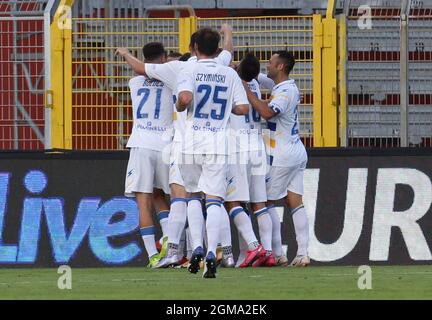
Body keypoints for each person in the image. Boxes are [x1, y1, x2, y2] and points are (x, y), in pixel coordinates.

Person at [176, 27, 249, 278]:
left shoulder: (188, 69)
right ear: (217, 48)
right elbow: (243, 108)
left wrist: (179, 104)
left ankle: (196, 245)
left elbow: (184, 98)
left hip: (191, 141)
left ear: (194, 48)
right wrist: (224, 109)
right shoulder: (228, 73)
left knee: (193, 195)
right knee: (216, 200)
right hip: (218, 142)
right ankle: (210, 252)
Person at [244, 51, 310, 267]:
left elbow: (268, 112)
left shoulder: (284, 92)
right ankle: (302, 253)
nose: (267, 66)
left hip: (282, 154)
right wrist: (242, 70)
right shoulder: (283, 86)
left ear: (280, 67)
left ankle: (277, 252)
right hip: (296, 150)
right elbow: (257, 77)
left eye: (271, 63)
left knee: (266, 201)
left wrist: (247, 92)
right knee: (295, 203)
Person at [124, 42, 172, 268]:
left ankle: (153, 255)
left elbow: (140, 69)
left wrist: (126, 54)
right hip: (165, 145)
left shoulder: (134, 82)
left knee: (143, 203)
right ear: (163, 58)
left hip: (142, 144)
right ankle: (169, 242)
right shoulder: (171, 80)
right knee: (161, 196)